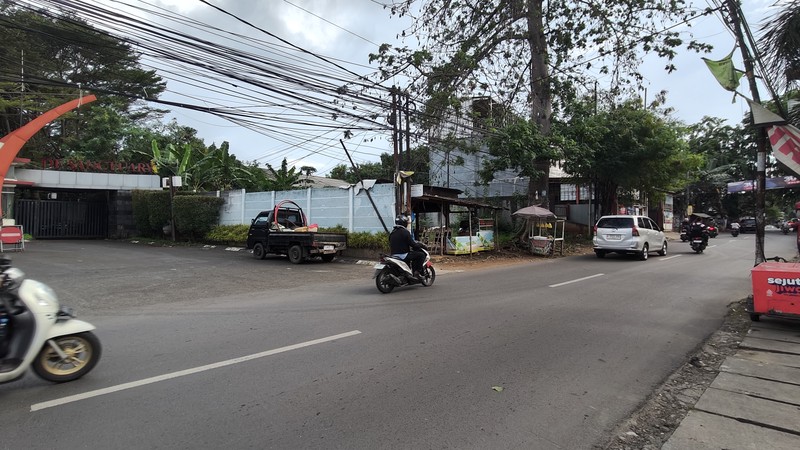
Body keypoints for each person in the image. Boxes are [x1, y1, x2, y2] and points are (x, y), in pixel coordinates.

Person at [389, 214, 426, 279]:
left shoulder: (392, 232)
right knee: (421, 255)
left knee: (413, 255)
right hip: (403, 255)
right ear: (404, 223)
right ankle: (417, 273)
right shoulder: (405, 232)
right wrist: (418, 247)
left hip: (393, 255)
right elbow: (412, 244)